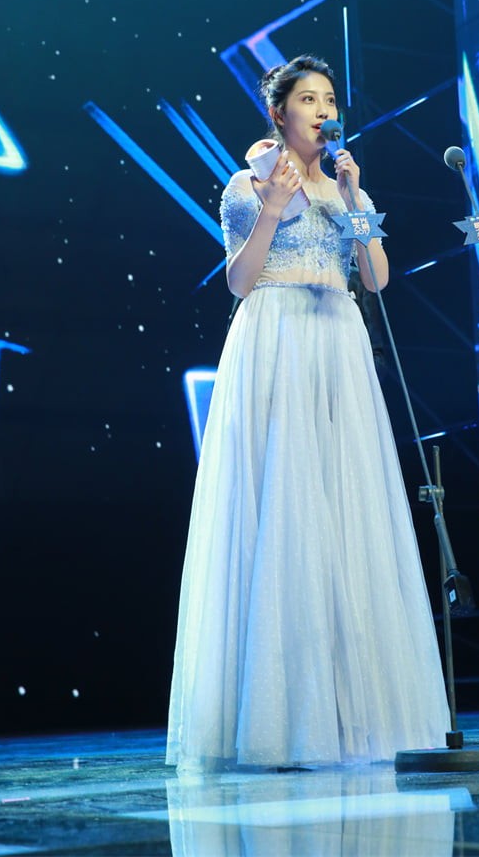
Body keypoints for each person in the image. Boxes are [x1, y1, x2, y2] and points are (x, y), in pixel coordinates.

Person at [166, 55, 449, 771]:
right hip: (277, 335)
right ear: (279, 113)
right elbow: (239, 281)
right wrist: (270, 207)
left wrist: (354, 200)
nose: (323, 111)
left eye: (329, 100)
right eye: (308, 100)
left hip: (338, 342)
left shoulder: (347, 185)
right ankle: (278, 719)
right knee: (283, 507)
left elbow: (377, 278)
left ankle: (353, 714)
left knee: (343, 509)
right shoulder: (247, 185)